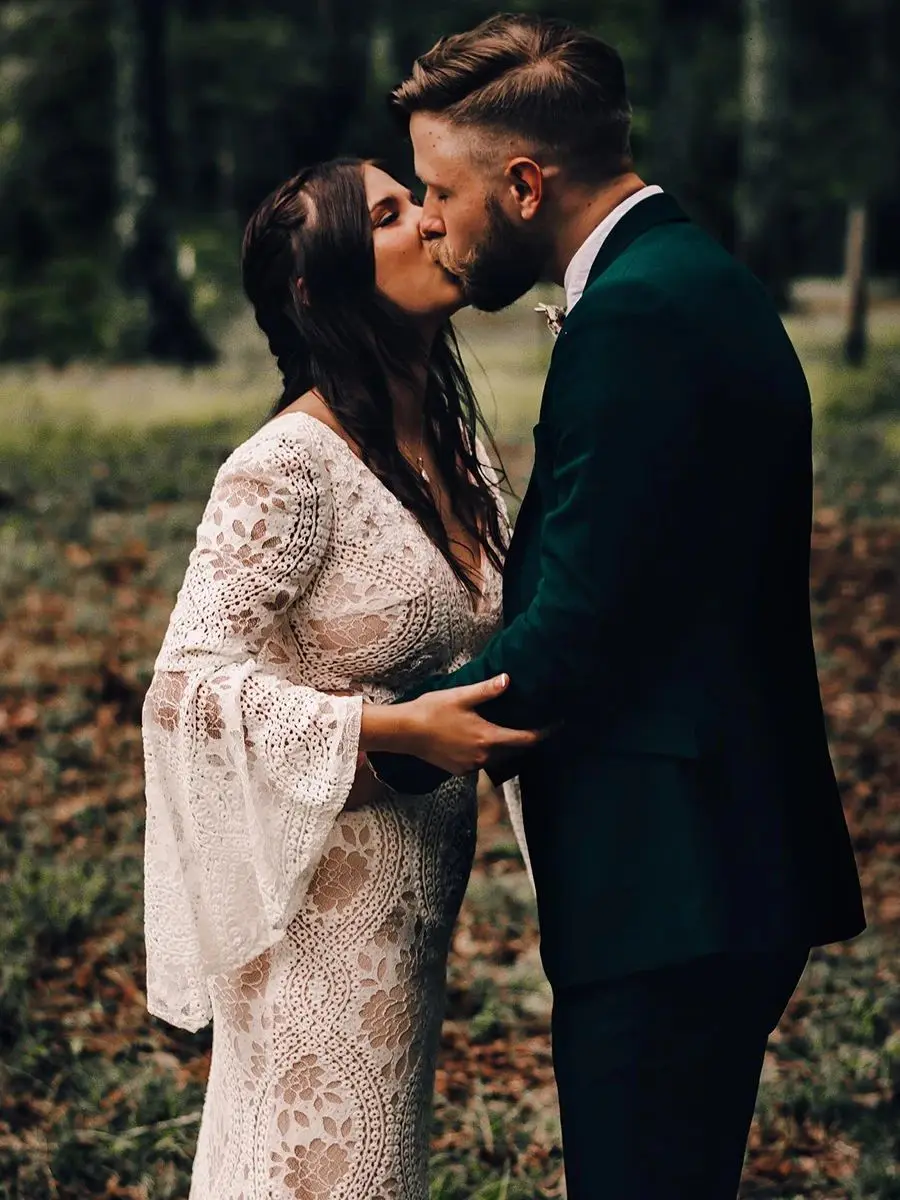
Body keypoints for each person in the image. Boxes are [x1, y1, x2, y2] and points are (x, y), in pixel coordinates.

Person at [368, 14, 867, 1199]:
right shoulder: (686, 279)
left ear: (526, 183)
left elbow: (578, 636)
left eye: (440, 190)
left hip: (675, 884)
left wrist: (369, 744)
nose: (430, 220)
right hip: (712, 864)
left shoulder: (640, 317)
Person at [141, 156, 540, 1200]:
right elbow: (183, 689)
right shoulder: (285, 468)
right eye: (390, 214)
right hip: (317, 919)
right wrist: (396, 734)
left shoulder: (453, 448)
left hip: (409, 919)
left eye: (420, 198)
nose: (429, 219)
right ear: (319, 286)